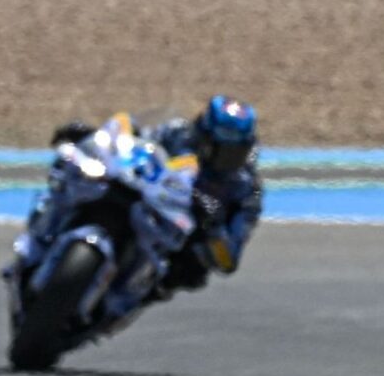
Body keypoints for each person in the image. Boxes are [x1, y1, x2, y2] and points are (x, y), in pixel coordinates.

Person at [48, 97, 264, 294]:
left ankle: (118, 303)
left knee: (184, 274)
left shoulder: (245, 190)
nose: (228, 159)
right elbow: (136, 142)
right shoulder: (178, 133)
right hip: (147, 199)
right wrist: (97, 138)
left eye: (236, 151)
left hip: (175, 242)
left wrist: (212, 226)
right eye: (222, 149)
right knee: (82, 179)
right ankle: (46, 231)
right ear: (204, 135)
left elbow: (228, 260)